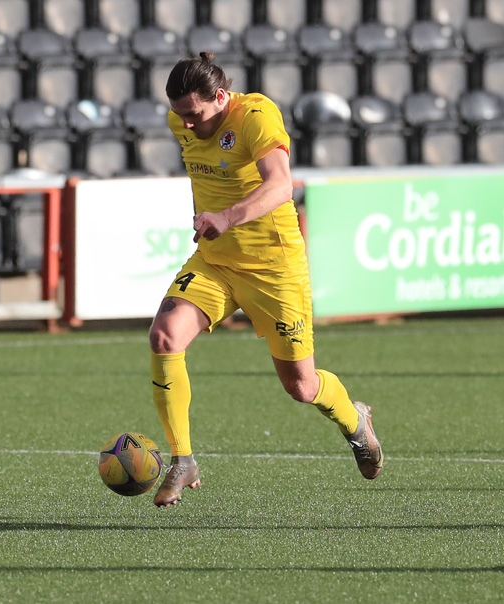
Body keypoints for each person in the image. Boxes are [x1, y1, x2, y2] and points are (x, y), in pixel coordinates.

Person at [149, 52, 383, 507]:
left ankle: (356, 421)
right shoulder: (184, 120)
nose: (187, 124)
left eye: (195, 114)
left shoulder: (256, 115)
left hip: (274, 268)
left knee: (302, 387)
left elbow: (280, 185)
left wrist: (226, 217)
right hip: (216, 262)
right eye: (180, 115)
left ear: (221, 97)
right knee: (164, 337)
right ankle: (183, 459)